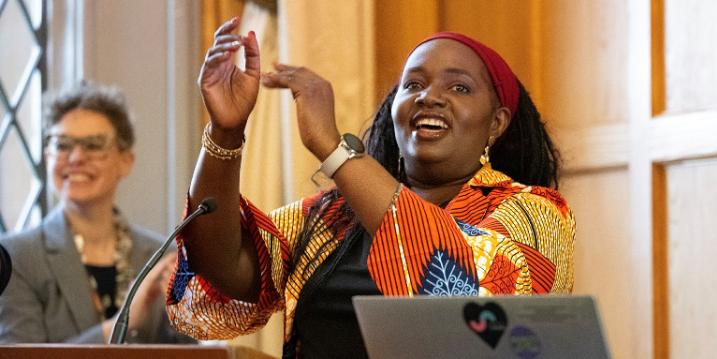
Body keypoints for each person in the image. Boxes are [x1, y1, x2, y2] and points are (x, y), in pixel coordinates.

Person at [166, 17, 575, 358]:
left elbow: (467, 287)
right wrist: (226, 130)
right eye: (413, 85)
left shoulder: (535, 213)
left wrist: (333, 149)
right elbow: (223, 267)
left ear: (497, 123)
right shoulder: (331, 217)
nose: (429, 97)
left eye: (459, 87)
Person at [0, 82, 193, 344]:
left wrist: (192, 313)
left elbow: (187, 351)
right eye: (63, 144)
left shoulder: (163, 256)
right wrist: (120, 324)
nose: (76, 157)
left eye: (93, 145)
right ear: (48, 157)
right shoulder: (15, 258)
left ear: (125, 161)